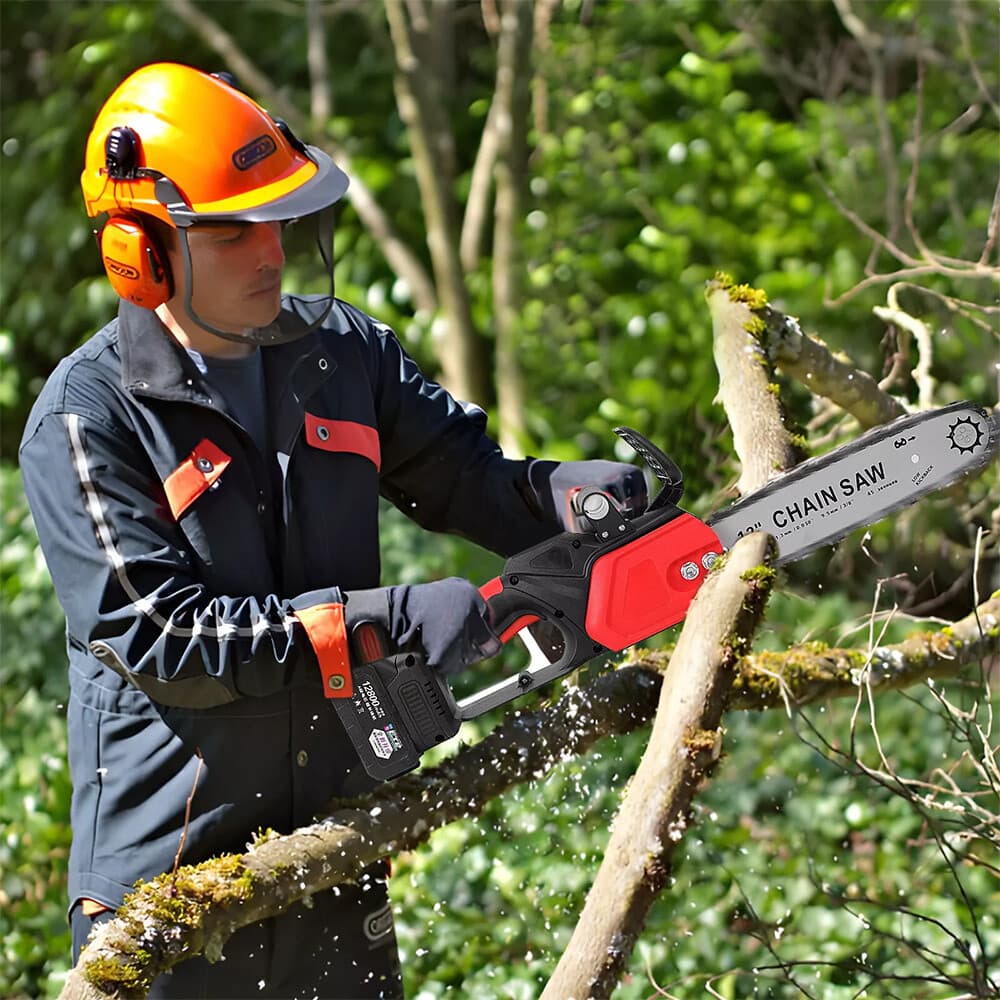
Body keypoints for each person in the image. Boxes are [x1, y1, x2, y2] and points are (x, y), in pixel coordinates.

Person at [19, 63, 646, 999]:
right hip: (169, 884)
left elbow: (467, 481)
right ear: (139, 252)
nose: (269, 252)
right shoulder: (89, 416)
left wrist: (563, 496)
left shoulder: (342, 354)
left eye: (279, 220)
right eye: (231, 230)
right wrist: (377, 621)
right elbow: (158, 633)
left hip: (337, 844)